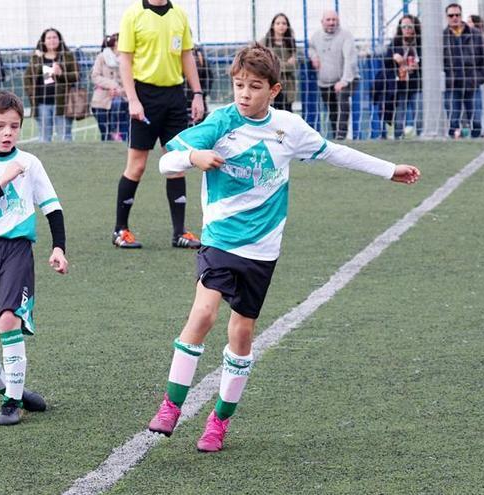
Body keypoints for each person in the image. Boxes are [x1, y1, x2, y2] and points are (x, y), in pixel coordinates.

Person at [148, 43, 420, 453]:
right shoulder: (220, 122)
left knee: (241, 334)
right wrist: (194, 156)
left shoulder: (288, 129)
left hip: (262, 250)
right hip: (220, 240)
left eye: (254, 86)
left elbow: (334, 153)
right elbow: (167, 162)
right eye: (239, 85)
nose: (244, 93)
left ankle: (218, 421)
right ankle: (171, 405)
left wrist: (389, 171)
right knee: (203, 315)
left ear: (273, 91)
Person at [0, 90, 68, 426]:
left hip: (16, 249)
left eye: (14, 126)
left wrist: (59, 247)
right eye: (0, 125)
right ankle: (8, 388)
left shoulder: (30, 163)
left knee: (8, 320)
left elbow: (52, 207)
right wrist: (3, 180)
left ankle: (11, 403)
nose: (8, 133)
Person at [111, 0, 206, 250]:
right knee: (137, 165)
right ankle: (120, 229)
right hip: (144, 96)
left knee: (177, 162)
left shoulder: (179, 15)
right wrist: (133, 100)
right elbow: (125, 61)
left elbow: (186, 55)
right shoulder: (133, 14)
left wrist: (197, 93)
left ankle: (179, 233)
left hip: (175, 97)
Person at [23, 28, 79, 142]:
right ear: (43, 40)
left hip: (63, 104)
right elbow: (27, 78)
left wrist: (61, 73)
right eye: (48, 38)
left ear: (59, 40)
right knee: (44, 138)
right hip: (42, 104)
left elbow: (76, 76)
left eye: (54, 37)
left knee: (65, 137)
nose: (52, 40)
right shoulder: (37, 57)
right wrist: (32, 94)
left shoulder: (67, 56)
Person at [308, 10, 357, 140]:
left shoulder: (346, 36)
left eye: (334, 20)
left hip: (345, 80)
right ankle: (336, 138)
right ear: (322, 22)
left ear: (338, 21)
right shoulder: (316, 36)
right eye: (328, 20)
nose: (331, 23)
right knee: (332, 110)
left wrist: (344, 81)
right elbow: (311, 48)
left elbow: (350, 59)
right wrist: (314, 56)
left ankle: (341, 137)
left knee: (342, 105)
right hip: (324, 82)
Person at [443, 3, 484, 139]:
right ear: (447, 17)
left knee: (476, 120)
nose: (454, 18)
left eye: (457, 15)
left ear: (461, 15)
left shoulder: (475, 34)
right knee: (453, 120)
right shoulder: (442, 37)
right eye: (451, 15)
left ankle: (476, 143)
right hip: (452, 85)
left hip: (472, 83)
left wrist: (480, 77)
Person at [381, 15, 422, 139]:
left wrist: (418, 65)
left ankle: (422, 137)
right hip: (400, 86)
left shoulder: (421, 43)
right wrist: (393, 58)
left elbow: (429, 63)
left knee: (420, 114)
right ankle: (398, 138)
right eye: (404, 26)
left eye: (410, 26)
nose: (407, 29)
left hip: (417, 85)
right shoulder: (395, 43)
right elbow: (385, 62)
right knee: (399, 115)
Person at [91, 33, 129, 141]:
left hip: (124, 99)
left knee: (124, 132)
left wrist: (120, 91)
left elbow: (134, 80)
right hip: (101, 101)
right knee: (105, 133)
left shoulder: (129, 58)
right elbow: (95, 76)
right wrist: (113, 85)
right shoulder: (102, 57)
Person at [261, 13, 297, 112]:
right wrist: (286, 64)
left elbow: (294, 65)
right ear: (273, 25)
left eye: (284, 23)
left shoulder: (291, 42)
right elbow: (267, 64)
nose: (281, 26)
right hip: (270, 83)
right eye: (278, 23)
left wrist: (277, 63)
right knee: (270, 113)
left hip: (287, 86)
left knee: (287, 114)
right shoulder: (265, 42)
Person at [467, 14, 484, 137]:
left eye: (469, 21)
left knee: (482, 104)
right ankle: (476, 129)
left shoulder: (483, 38)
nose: (467, 24)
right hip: (472, 78)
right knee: (474, 104)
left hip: (481, 78)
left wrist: (482, 76)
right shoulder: (470, 38)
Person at [185, 45, 212, 122]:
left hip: (198, 98)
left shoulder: (198, 53)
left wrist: (203, 94)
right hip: (180, 100)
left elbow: (208, 77)